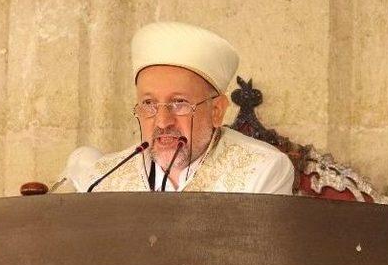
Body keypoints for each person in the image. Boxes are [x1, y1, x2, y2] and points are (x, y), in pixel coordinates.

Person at [70, 21, 294, 194]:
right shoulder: (105, 177)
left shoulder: (262, 171)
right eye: (149, 104)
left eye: (179, 103)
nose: (162, 121)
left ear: (216, 110)